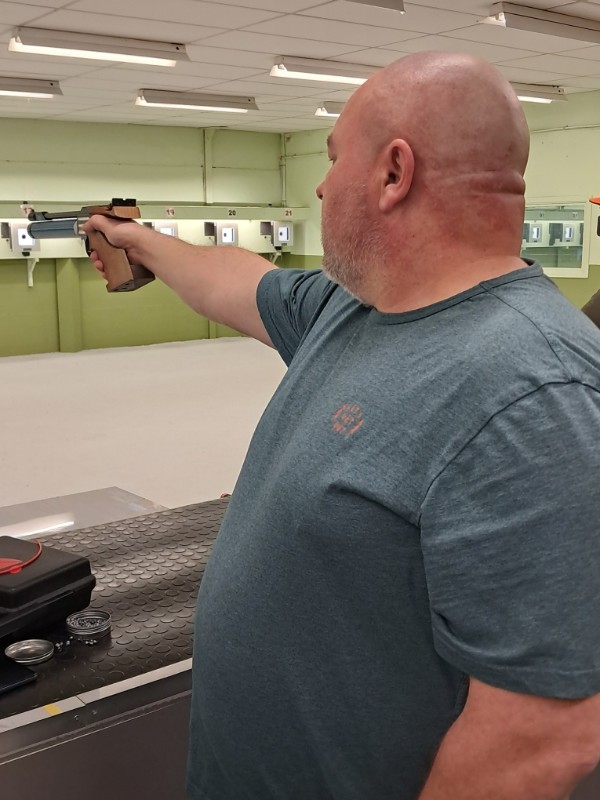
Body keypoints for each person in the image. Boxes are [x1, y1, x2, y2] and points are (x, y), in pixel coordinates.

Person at [84, 52, 600, 800]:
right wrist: (140, 241)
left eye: (332, 159)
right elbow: (236, 281)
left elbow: (544, 734)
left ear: (394, 173)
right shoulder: (354, 308)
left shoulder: (535, 393)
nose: (322, 186)